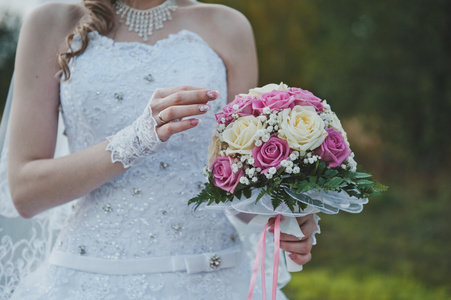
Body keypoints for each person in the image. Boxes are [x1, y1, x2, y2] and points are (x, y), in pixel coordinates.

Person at [3, 0, 317, 298]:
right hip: (88, 278)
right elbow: (26, 192)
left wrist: (282, 213)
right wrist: (136, 140)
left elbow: (235, 189)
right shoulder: (51, 23)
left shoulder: (228, 26)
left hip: (213, 279)